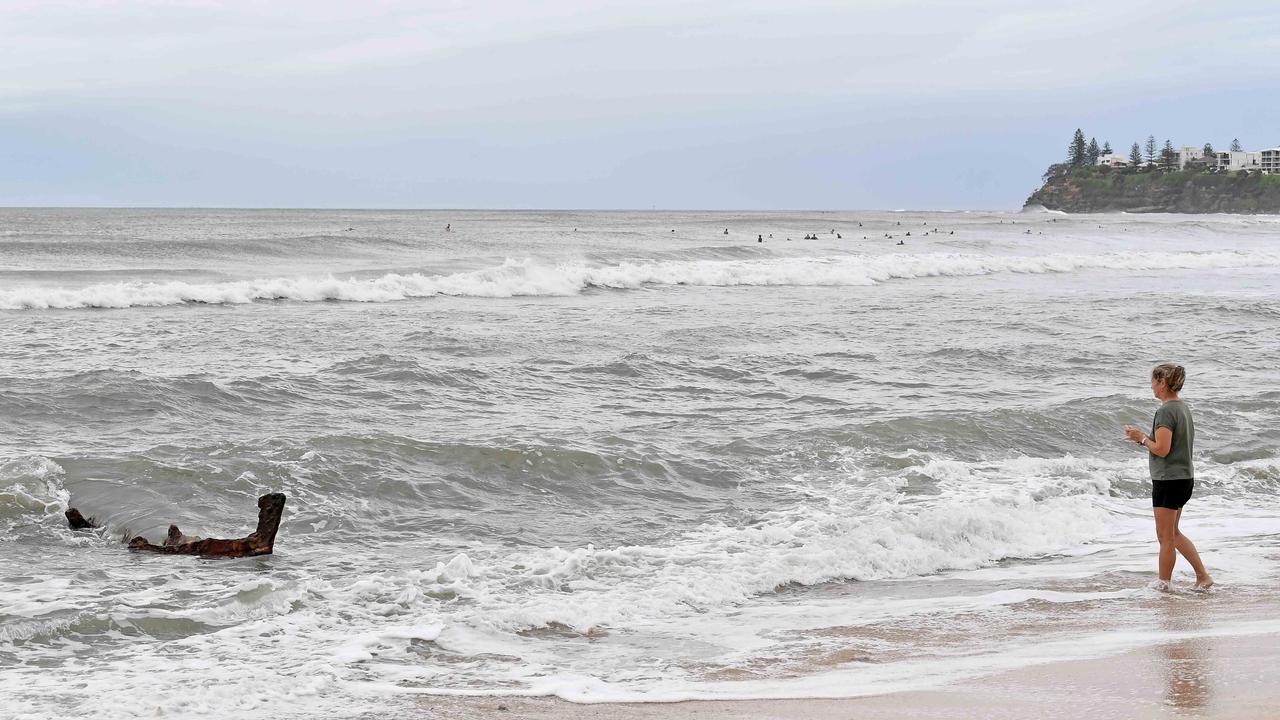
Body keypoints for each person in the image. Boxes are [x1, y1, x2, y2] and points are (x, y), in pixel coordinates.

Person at [1124, 364, 1213, 592]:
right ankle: (1203, 577)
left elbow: (1162, 449)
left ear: (1162, 383)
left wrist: (1141, 438)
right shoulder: (1182, 408)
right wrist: (1142, 438)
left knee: (1165, 536)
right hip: (1183, 477)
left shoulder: (1165, 411)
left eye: (1153, 381)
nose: (1151, 386)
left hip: (1169, 480)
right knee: (1172, 533)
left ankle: (1164, 584)